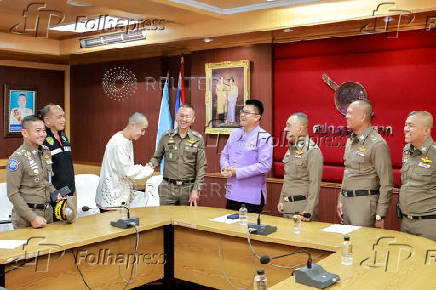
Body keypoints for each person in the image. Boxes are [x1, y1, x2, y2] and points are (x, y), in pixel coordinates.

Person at [336, 99, 393, 228]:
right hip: (346, 203)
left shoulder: (377, 144)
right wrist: (340, 200)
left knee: (361, 244)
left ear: (362, 117)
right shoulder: (351, 141)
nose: (346, 116)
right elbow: (348, 173)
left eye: (350, 113)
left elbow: (386, 183)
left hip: (364, 205)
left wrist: (380, 214)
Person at [220, 99, 273, 213]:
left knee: (247, 229)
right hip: (232, 193)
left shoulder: (264, 137)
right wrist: (225, 167)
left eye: (247, 113)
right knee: (228, 228)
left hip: (251, 197)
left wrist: (237, 172)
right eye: (242, 112)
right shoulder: (235, 134)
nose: (243, 115)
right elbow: (224, 154)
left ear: (257, 117)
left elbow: (264, 165)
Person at [149, 104, 206, 206]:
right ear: (176, 117)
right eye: (181, 115)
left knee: (185, 220)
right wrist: (152, 164)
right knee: (165, 220)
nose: (184, 119)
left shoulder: (198, 139)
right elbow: (156, 157)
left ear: (193, 119)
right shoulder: (166, 136)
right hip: (167, 188)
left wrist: (196, 189)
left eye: (187, 116)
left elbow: (201, 166)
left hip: (188, 188)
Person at [95, 112, 154, 211]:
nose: (143, 133)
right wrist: (147, 170)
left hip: (119, 197)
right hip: (112, 200)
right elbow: (127, 171)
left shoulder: (126, 140)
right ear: (132, 125)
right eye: (142, 130)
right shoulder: (118, 143)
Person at [7, 116, 55, 229]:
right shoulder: (17, 158)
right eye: (38, 131)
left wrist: (56, 194)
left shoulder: (45, 152)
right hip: (26, 218)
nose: (43, 134)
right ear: (25, 133)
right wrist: (32, 217)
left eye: (44, 130)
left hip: (47, 213)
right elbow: (13, 193)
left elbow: (46, 182)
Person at [277, 113, 323, 221]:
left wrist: (309, 210)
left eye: (289, 126)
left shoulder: (312, 150)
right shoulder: (290, 150)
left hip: (302, 208)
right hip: (287, 207)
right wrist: (281, 200)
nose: (285, 129)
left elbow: (314, 184)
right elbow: (287, 178)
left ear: (300, 129)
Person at [399, 111, 436, 241]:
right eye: (405, 125)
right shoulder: (407, 150)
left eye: (411, 126)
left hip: (428, 224)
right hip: (406, 222)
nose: (406, 129)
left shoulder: (434, 154)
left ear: (426, 130)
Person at [39, 104, 75, 195]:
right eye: (59, 117)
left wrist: (73, 189)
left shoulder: (63, 136)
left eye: (63, 116)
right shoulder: (41, 139)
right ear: (47, 120)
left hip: (69, 191)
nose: (63, 120)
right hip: (53, 193)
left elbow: (68, 165)